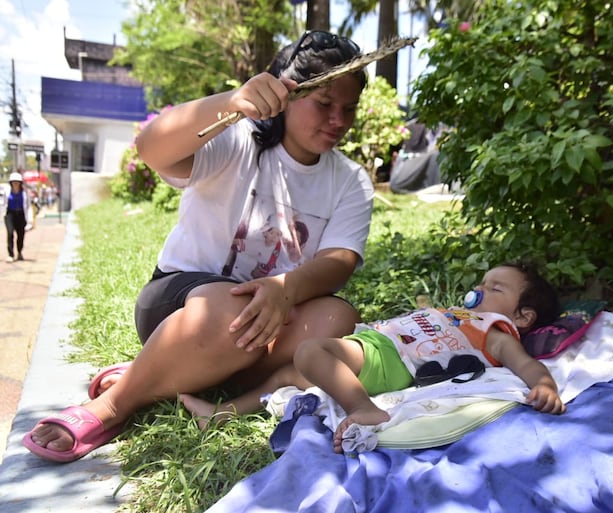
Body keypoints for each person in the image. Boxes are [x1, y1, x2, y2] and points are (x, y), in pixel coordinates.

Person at [23, 30, 374, 463]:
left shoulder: (350, 180)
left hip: (266, 322)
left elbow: (339, 260)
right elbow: (152, 149)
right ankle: (113, 405)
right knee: (228, 309)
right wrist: (230, 101)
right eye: (324, 104)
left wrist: (285, 289)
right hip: (181, 304)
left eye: (349, 108)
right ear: (287, 94)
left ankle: (165, 374)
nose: (338, 119)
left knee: (338, 319)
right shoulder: (236, 139)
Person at [181, 262, 567, 452]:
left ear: (522, 316)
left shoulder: (496, 333)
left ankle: (362, 407)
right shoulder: (466, 315)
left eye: (494, 288)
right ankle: (219, 415)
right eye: (481, 282)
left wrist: (545, 385)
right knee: (286, 374)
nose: (479, 291)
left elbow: (527, 364)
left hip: (393, 362)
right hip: (380, 346)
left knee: (311, 351)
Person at [5, 172, 28, 263]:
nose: (15, 184)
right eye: (13, 182)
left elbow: (28, 206)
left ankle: (19, 252)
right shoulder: (7, 192)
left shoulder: (24, 193)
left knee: (21, 235)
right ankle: (11, 254)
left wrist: (29, 219)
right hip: (10, 214)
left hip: (21, 214)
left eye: (17, 182)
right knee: (10, 233)